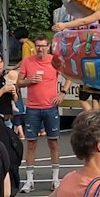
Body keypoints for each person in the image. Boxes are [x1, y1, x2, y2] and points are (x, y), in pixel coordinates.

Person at [20, 35, 63, 177]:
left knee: (53, 143)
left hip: (51, 107)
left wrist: (62, 92)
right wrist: (30, 80)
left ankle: (55, 178)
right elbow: (19, 82)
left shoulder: (54, 61)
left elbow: (68, 75)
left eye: (43, 46)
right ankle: (29, 180)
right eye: (38, 46)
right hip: (32, 108)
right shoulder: (27, 62)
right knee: (31, 144)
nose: (40, 49)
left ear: (48, 47)